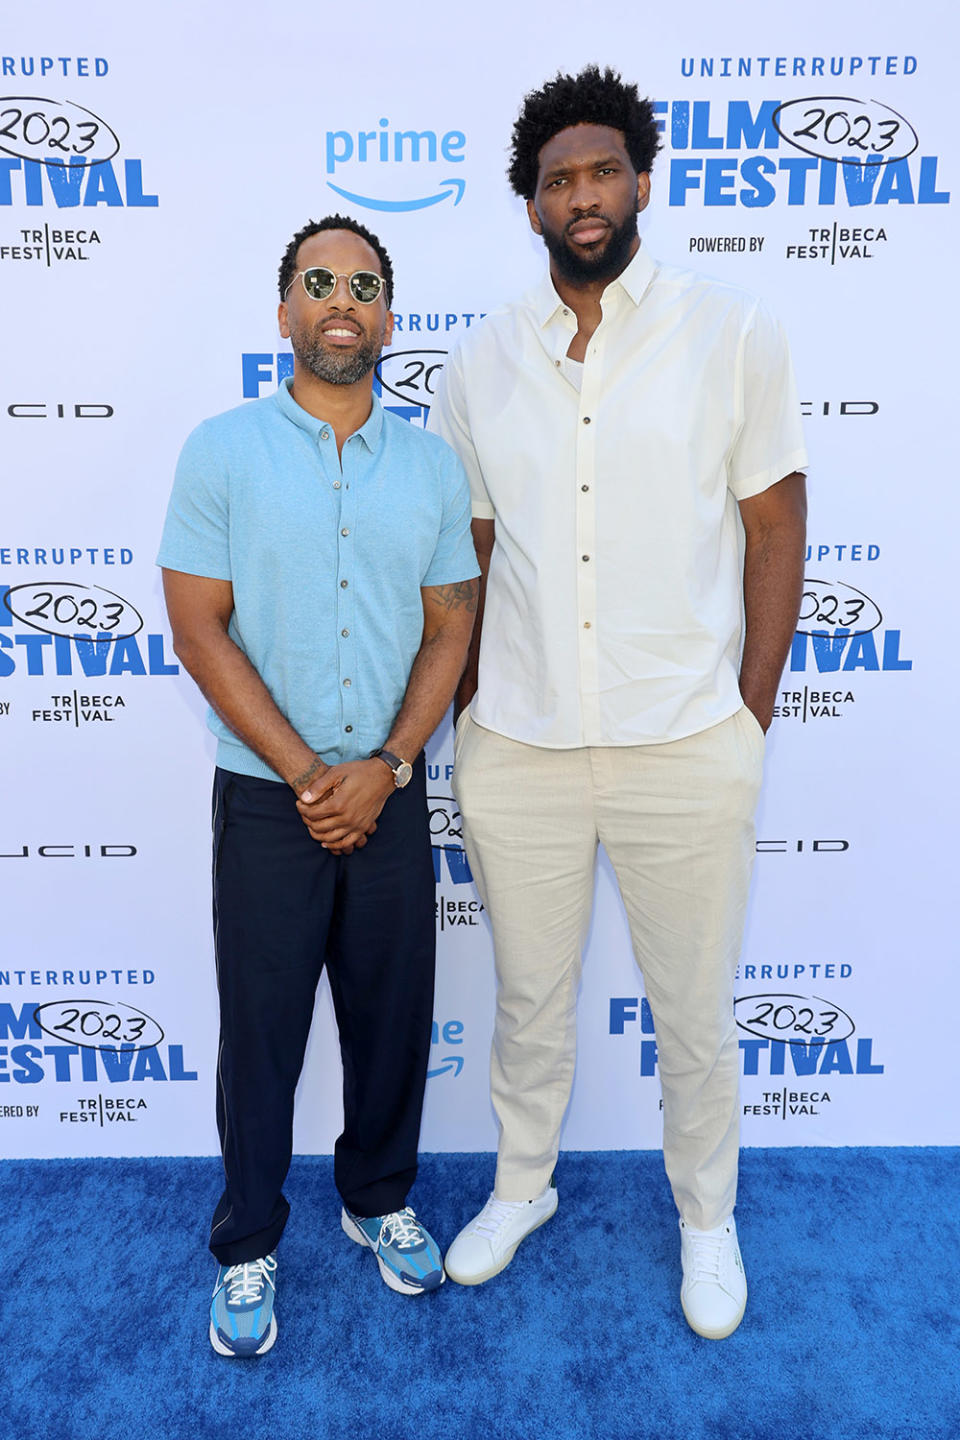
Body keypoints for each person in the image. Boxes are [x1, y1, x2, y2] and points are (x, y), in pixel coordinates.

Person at [428, 67, 807, 1340]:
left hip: (686, 739)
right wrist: (475, 713)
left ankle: (707, 1217)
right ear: (528, 206)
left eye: (602, 171)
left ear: (643, 180)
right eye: (557, 181)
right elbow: (468, 558)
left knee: (695, 1013)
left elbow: (774, 533)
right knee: (527, 1003)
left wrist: (745, 717)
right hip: (520, 745)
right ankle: (522, 1189)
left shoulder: (733, 331)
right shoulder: (479, 361)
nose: (582, 196)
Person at [158, 214, 479, 1356]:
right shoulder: (221, 451)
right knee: (261, 1037)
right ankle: (248, 1244)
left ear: (388, 315)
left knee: (392, 1026)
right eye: (318, 281)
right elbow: (199, 630)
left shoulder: (435, 464)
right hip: (266, 803)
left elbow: (453, 625)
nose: (342, 298)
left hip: (389, 800)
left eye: (365, 282)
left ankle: (378, 1198)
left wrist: (387, 767)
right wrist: (309, 776)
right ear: (286, 310)